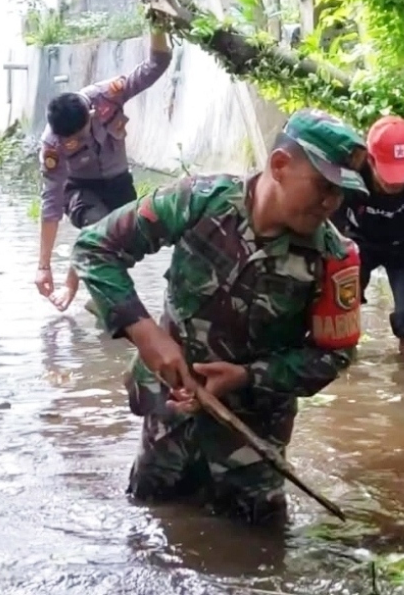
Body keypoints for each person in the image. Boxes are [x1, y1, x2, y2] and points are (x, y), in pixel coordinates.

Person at [71, 108, 367, 525]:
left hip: (252, 439)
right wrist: (146, 334)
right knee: (150, 526)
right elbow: (94, 248)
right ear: (280, 166)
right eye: (323, 187)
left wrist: (249, 376)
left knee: (257, 553)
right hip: (170, 419)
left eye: (340, 193)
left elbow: (334, 356)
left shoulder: (334, 258)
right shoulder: (198, 202)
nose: (331, 203)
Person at [35, 27, 172, 313]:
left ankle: (99, 299)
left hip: (119, 182)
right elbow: (51, 203)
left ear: (91, 115)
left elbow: (156, 65)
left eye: (81, 134)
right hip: (80, 188)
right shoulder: (52, 144)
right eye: (71, 140)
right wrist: (43, 266)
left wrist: (158, 24)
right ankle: (73, 286)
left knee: (124, 241)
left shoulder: (108, 96)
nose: (78, 141)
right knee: (98, 224)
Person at [331, 115, 404, 361]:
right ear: (371, 160)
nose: (396, 183)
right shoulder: (348, 176)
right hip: (356, 245)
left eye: (402, 174)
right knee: (340, 309)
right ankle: (344, 370)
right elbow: (327, 237)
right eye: (389, 174)